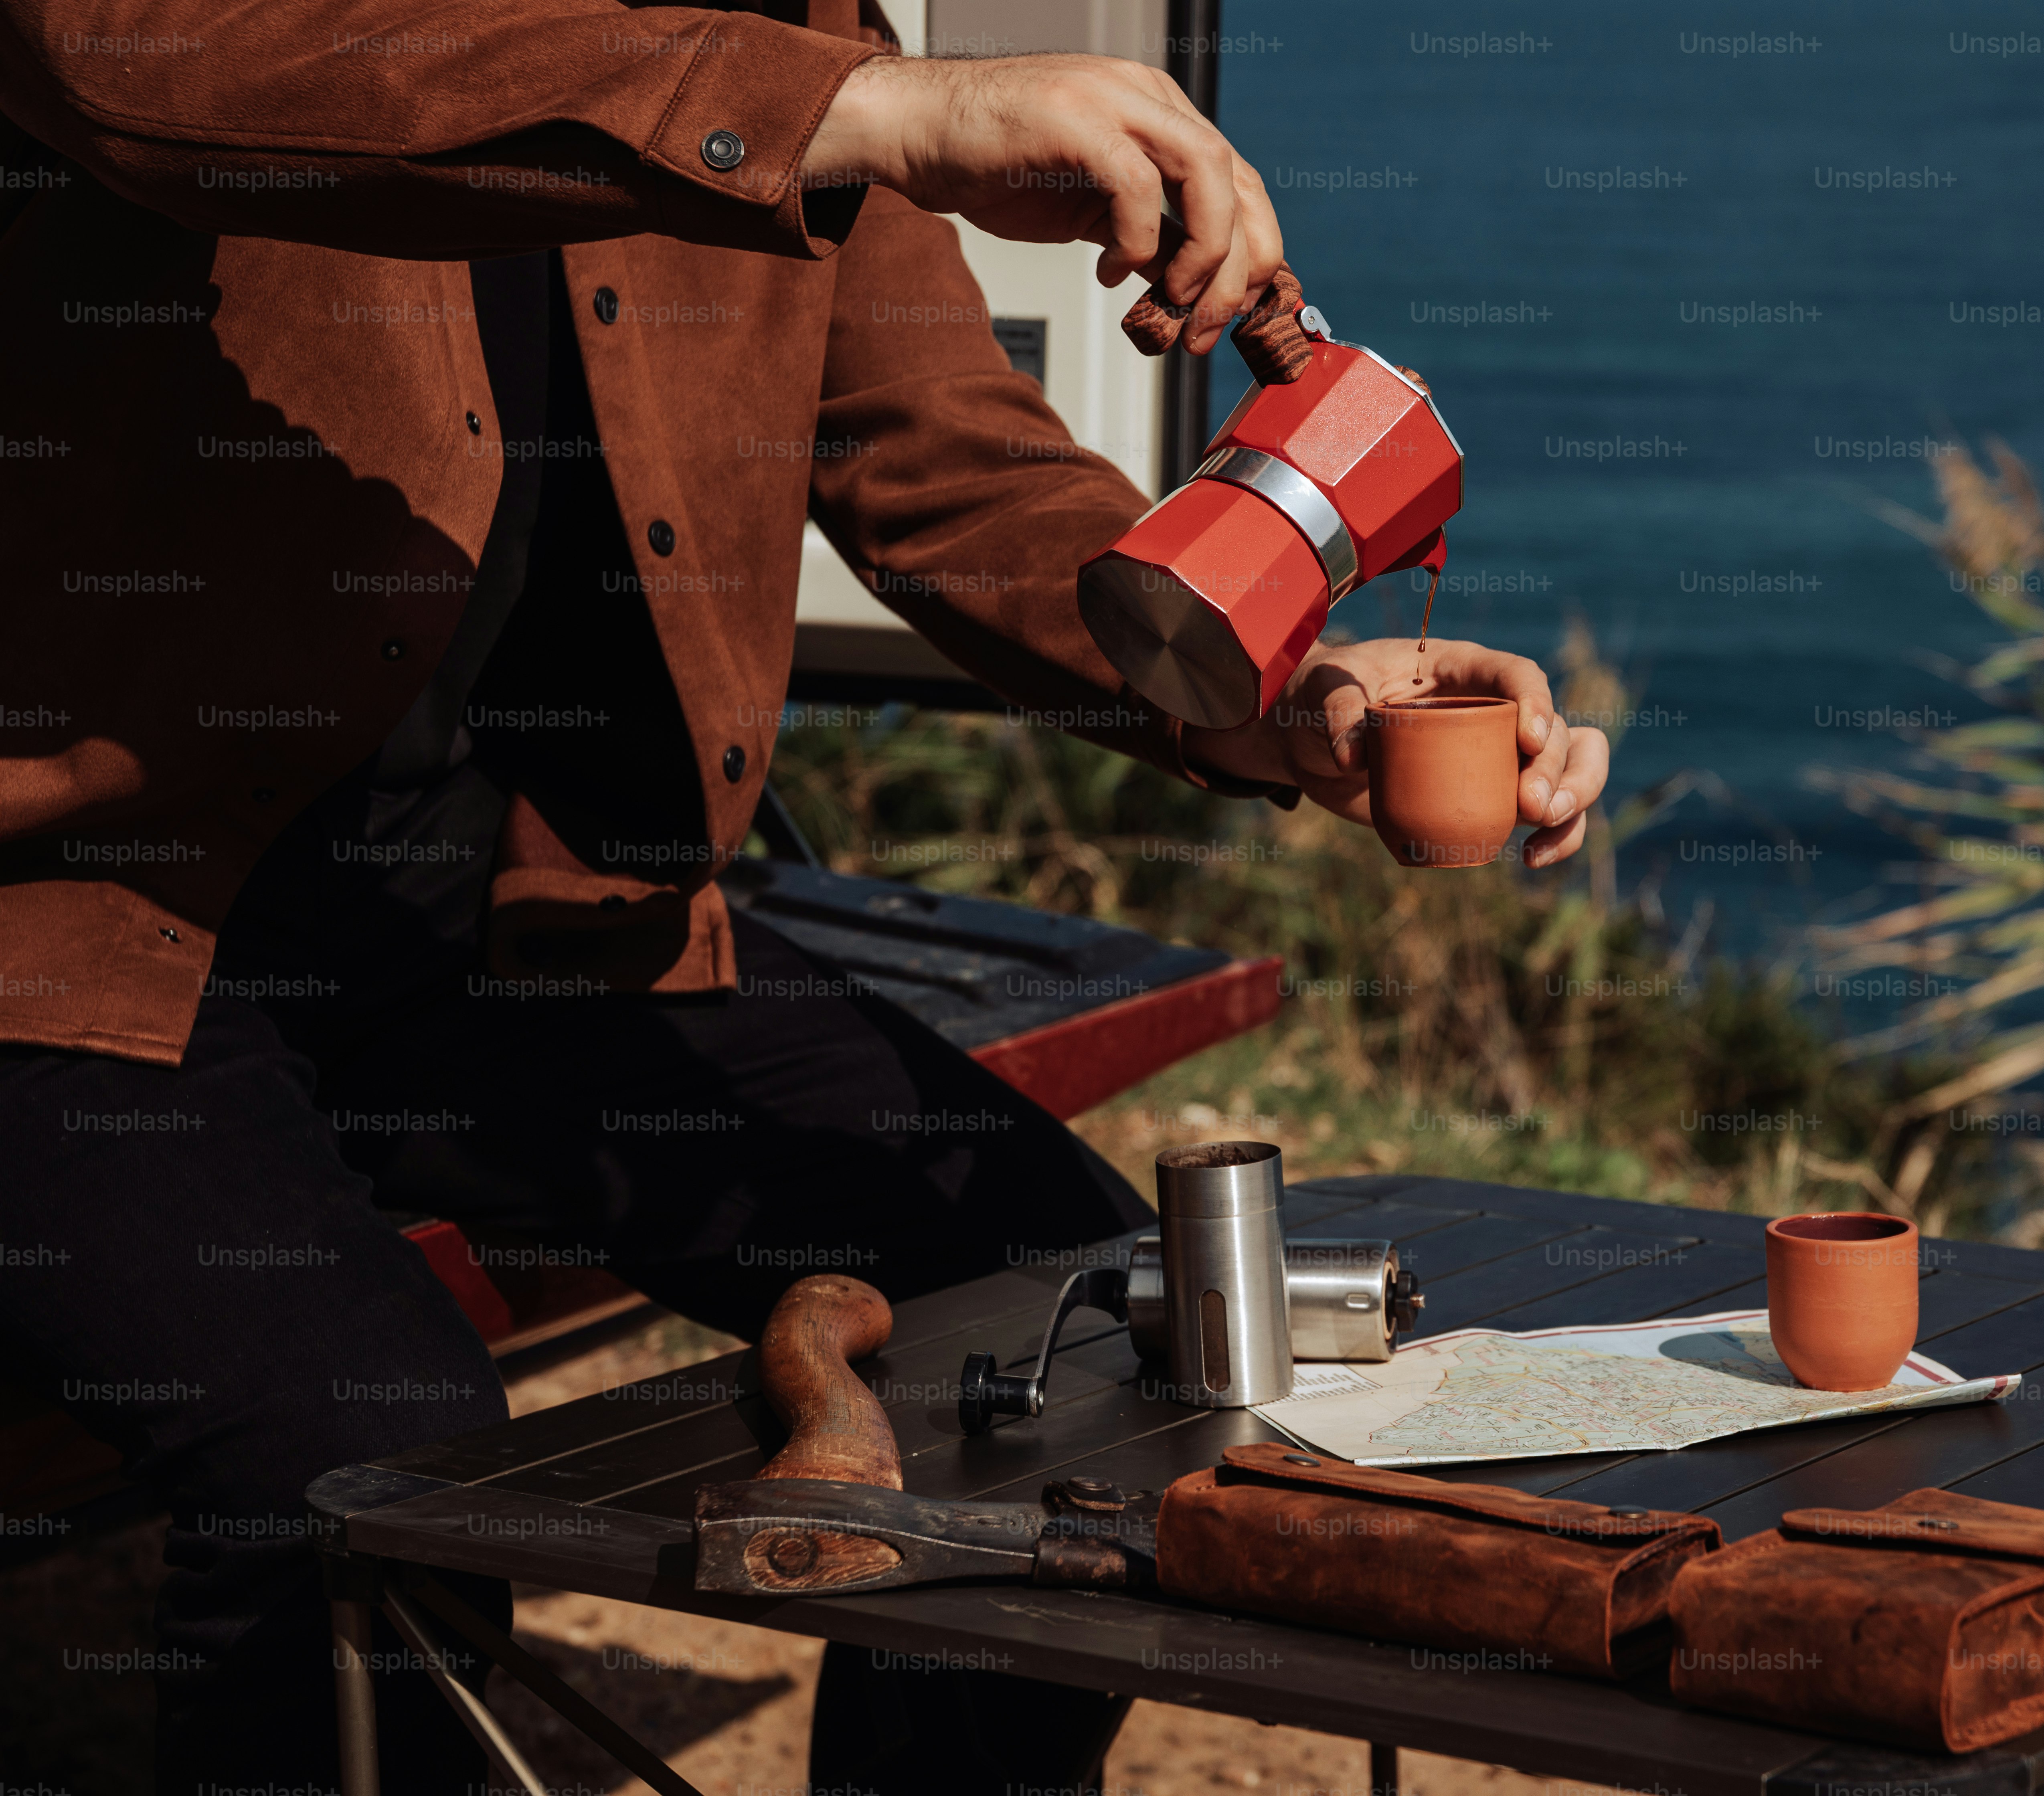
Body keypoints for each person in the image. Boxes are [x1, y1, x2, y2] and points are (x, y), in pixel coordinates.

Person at [0, 4, 1610, 1792]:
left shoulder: (787, 27)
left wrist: (1288, 692)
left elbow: (951, 476)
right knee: (354, 1459)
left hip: (502, 926)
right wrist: (870, 111)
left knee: (1065, 1320)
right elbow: (139, 63)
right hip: (76, 944)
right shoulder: (798, 74)